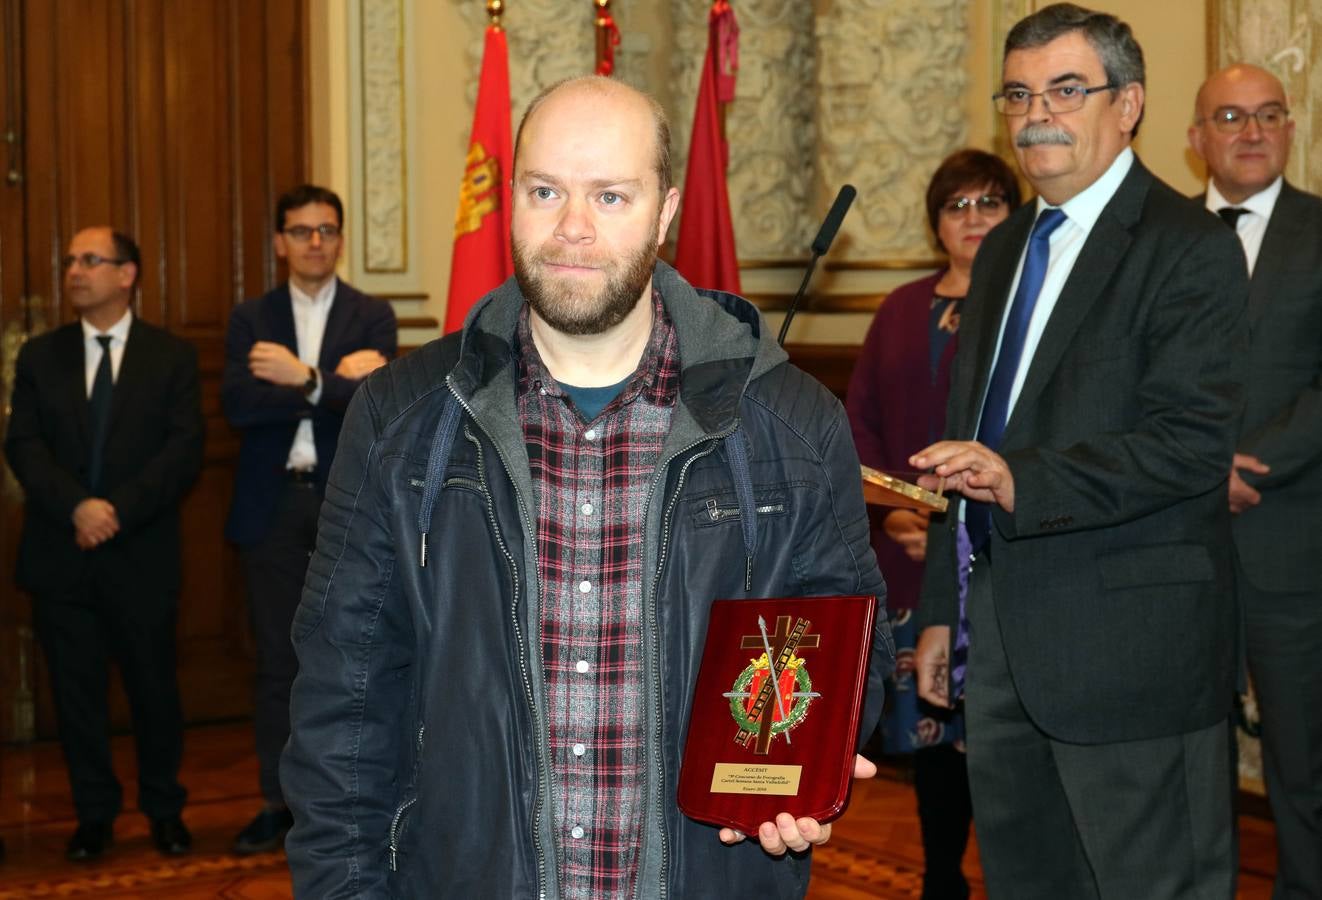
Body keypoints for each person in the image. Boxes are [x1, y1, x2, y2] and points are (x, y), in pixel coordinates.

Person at [281, 75, 893, 898]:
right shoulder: (400, 419)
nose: (572, 229)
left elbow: (859, 649)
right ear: (510, 199)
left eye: (610, 195)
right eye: (545, 191)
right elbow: (342, 699)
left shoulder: (787, 422)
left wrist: (815, 751)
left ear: (666, 211)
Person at [909, 5, 1248, 897]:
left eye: (1066, 89)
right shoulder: (1006, 247)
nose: (1035, 115)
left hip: (1133, 653)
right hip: (1005, 647)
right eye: (1018, 93)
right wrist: (943, 602)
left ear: (1127, 103)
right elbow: (966, 439)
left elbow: (1189, 444)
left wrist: (1024, 480)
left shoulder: (1190, 249)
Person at [846, 148, 1018, 900]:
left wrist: (956, 513)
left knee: (1002, 736)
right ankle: (942, 880)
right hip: (913, 558)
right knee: (933, 735)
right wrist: (902, 513)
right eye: (958, 206)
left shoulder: (1027, 303)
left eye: (989, 203)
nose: (973, 219)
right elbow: (861, 425)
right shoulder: (900, 308)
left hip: (1001, 554)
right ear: (936, 223)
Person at [5, 227, 203, 861]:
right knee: (77, 697)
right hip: (63, 554)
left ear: (127, 275)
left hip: (140, 551)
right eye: (69, 261)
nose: (74, 271)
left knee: (153, 692)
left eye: (90, 260)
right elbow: (24, 447)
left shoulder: (169, 356)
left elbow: (184, 449)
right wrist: (79, 508)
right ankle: (94, 815)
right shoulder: (40, 356)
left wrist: (116, 511)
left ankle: (164, 809)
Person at [221, 185, 397, 854]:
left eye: (326, 230)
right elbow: (239, 403)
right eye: (300, 231)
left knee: (351, 658)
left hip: (346, 507)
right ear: (279, 242)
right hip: (271, 507)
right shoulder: (249, 317)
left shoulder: (371, 314)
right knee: (275, 663)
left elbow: (377, 402)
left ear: (341, 239)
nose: (315, 242)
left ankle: (349, 800)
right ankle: (278, 803)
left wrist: (301, 378)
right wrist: (331, 386)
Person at [1189, 62, 1322, 899]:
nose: (1250, 130)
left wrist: (1252, 464)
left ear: (1290, 127)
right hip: (1176, 542)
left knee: (1303, 760)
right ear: (1195, 137)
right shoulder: (1156, 238)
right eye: (1230, 116)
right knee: (1189, 754)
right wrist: (1202, 468)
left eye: (1268, 114)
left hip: (1292, 539)